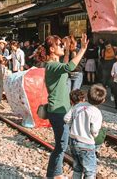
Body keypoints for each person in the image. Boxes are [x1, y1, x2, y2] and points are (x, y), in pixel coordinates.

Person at [35, 33, 88, 178]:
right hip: (57, 111)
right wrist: (82, 49)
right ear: (51, 49)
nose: (62, 46)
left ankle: (55, 174)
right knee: (61, 146)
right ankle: (53, 175)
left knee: (62, 144)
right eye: (59, 44)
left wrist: (68, 50)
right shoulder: (52, 66)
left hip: (63, 109)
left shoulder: (55, 65)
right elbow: (70, 66)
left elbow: (66, 64)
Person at [64, 85, 105, 179]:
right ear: (102, 101)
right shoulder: (96, 112)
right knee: (90, 171)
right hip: (86, 144)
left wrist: (72, 125)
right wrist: (95, 134)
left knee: (77, 168)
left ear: (87, 95)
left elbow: (66, 118)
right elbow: (94, 131)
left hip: (73, 141)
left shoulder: (78, 105)